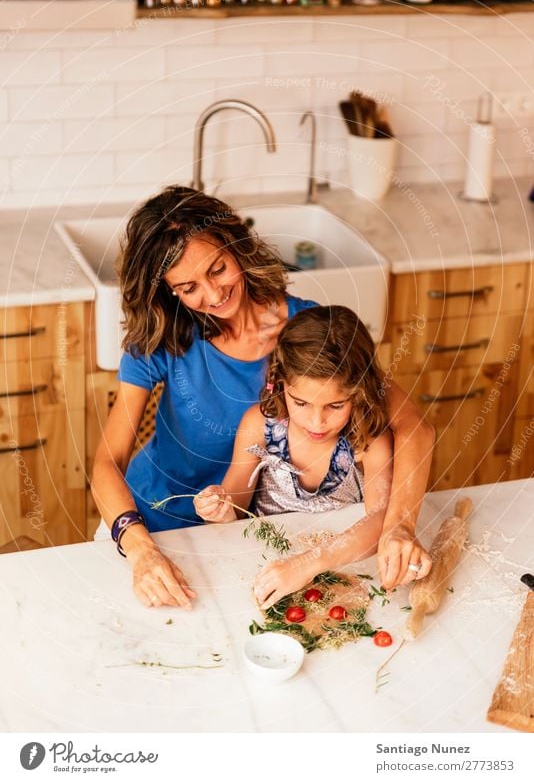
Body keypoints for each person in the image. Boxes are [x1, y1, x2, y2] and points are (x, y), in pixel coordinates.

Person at [91, 186, 434, 609]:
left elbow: (414, 427)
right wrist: (140, 547)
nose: (213, 295)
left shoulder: (305, 332)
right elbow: (108, 462)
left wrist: (399, 524)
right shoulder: (164, 339)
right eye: (188, 287)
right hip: (149, 519)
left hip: (249, 531)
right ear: (168, 291)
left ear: (236, 247)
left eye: (217, 269)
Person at [194, 305, 425, 609]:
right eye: (301, 403)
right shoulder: (259, 426)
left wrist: (306, 565)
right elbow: (235, 508)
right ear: (279, 383)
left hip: (344, 572)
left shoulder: (368, 437)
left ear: (359, 393)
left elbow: (381, 520)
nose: (317, 422)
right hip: (264, 569)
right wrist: (220, 511)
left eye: (335, 406)